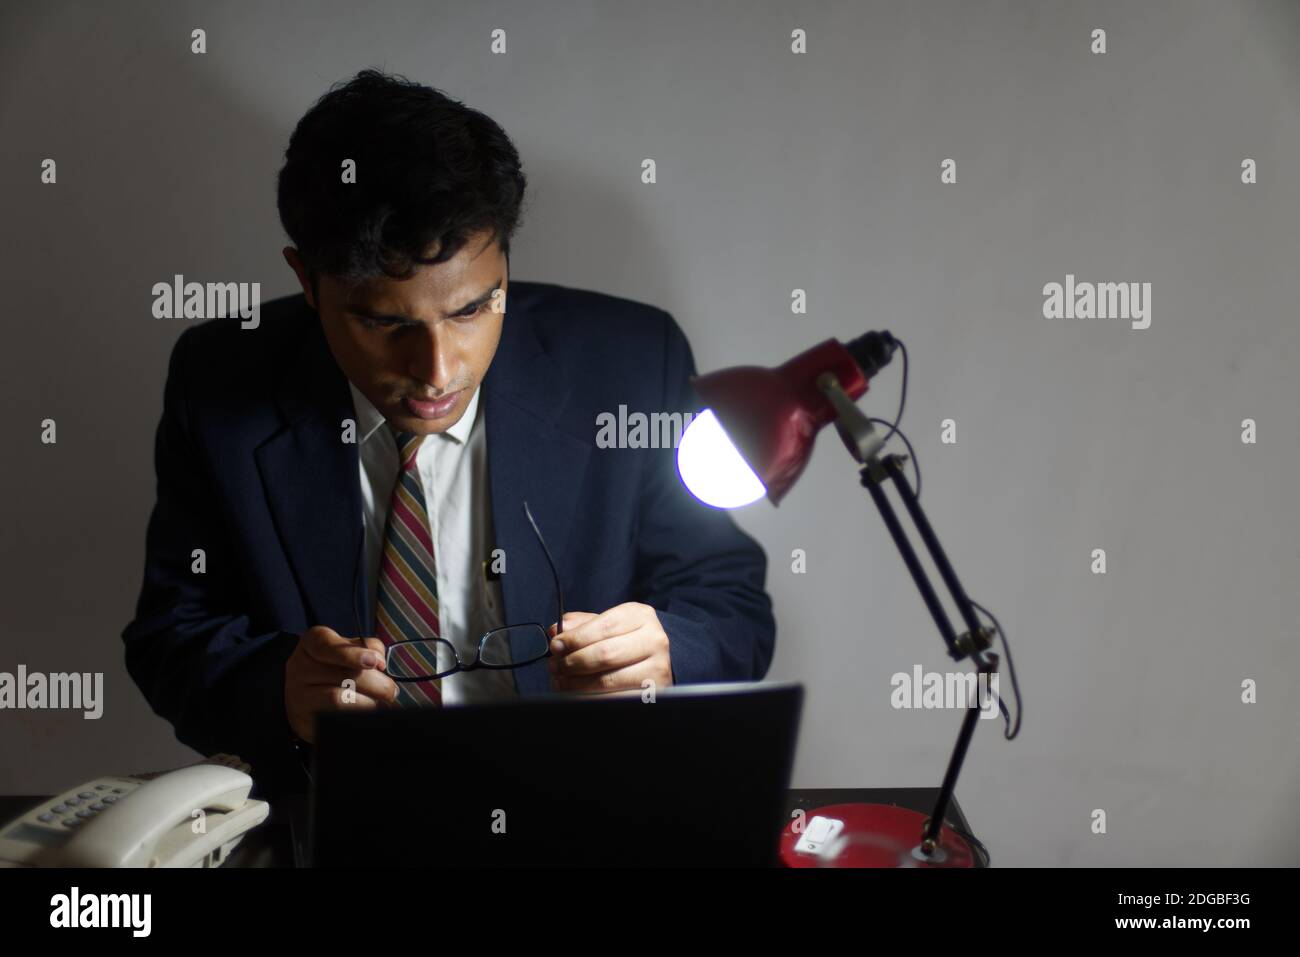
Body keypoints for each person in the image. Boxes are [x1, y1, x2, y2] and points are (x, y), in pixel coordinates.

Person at [122, 69, 775, 800]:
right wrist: (279, 690)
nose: (437, 370)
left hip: (582, 810)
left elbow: (731, 606)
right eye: (385, 322)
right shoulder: (218, 383)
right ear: (307, 282)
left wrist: (666, 655)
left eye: (471, 310)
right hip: (342, 816)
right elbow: (170, 635)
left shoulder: (630, 364)